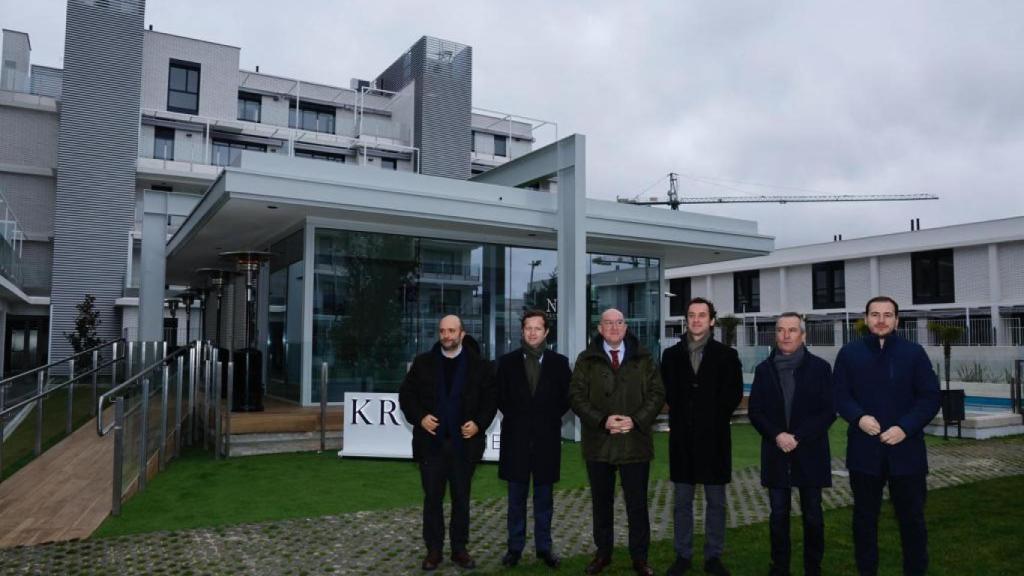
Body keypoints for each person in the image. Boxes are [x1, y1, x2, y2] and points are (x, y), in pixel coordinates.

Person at [834, 296, 940, 576]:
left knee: (912, 521)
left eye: (887, 315)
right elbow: (840, 395)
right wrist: (859, 418)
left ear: (896, 320)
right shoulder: (849, 353)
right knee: (864, 521)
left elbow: (930, 397)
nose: (881, 320)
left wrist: (905, 427)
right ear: (866, 318)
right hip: (864, 452)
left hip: (907, 454)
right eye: (875, 314)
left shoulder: (914, 353)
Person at [569, 308, 665, 576]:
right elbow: (576, 396)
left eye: (619, 322)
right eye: (608, 323)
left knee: (637, 505)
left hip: (635, 442)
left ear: (626, 327)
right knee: (601, 504)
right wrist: (602, 420)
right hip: (599, 443)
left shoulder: (644, 358)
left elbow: (657, 394)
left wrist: (635, 420)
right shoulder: (586, 360)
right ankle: (603, 554)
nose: (613, 327)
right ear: (600, 328)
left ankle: (640, 558)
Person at [399, 315, 497, 571]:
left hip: (465, 446)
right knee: (432, 498)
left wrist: (478, 423)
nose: (446, 335)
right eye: (442, 331)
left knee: (461, 499)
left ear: (462, 334)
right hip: (431, 446)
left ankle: (459, 550)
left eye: (452, 331)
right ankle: (433, 550)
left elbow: (490, 400)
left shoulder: (481, 366)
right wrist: (420, 418)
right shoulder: (422, 364)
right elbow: (406, 396)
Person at [660, 297, 743, 576]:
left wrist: (709, 418)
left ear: (711, 321)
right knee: (682, 502)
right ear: (687, 320)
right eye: (691, 315)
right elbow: (667, 393)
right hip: (682, 441)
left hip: (715, 440)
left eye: (702, 315)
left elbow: (732, 394)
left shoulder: (727, 355)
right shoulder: (670, 357)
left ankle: (713, 557)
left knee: (716, 503)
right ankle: (682, 556)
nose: (696, 320)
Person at [748, 313, 836, 576]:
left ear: (803, 335)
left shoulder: (820, 368)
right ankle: (779, 567)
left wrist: (798, 436)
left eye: (792, 330)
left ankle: (813, 567)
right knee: (778, 517)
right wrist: (777, 435)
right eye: (780, 330)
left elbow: (828, 411)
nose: (785, 335)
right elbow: (756, 411)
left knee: (813, 516)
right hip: (776, 453)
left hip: (810, 452)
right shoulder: (764, 370)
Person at [496, 309, 571, 569]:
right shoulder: (506, 363)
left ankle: (544, 547)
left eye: (537, 328)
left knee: (544, 500)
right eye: (528, 327)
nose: (532, 332)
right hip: (515, 440)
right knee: (515, 501)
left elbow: (566, 399)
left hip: (546, 440)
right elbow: (501, 398)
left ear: (546, 331)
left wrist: (545, 420)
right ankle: (514, 548)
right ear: (522, 330)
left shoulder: (559, 363)